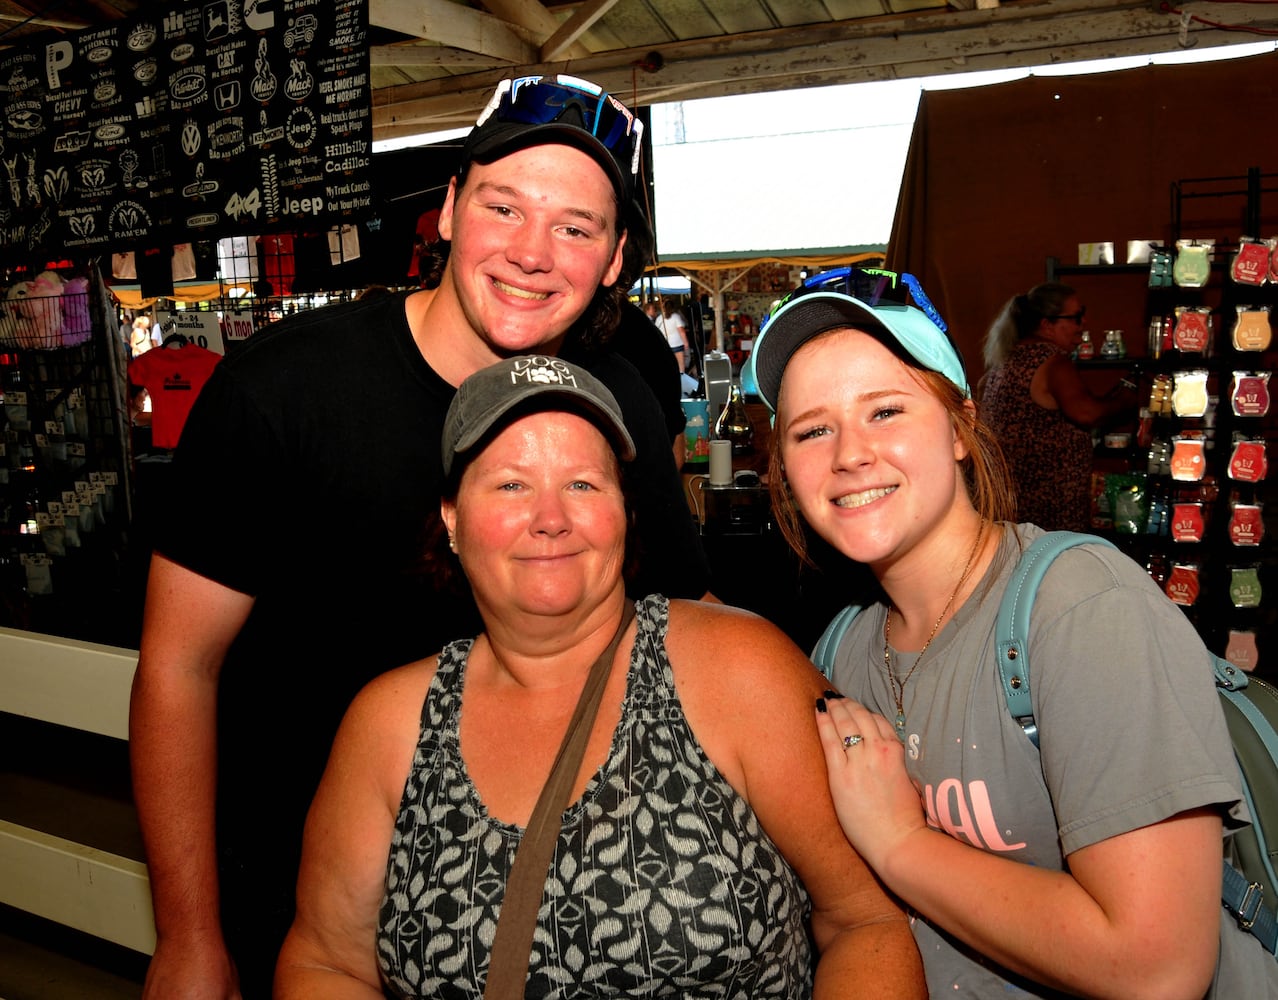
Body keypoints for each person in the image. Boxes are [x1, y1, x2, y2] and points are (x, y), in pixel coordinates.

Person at [129, 74, 711, 1000]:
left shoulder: (616, 407)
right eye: (503, 206)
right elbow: (176, 668)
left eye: (575, 226)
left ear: (612, 259)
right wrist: (189, 934)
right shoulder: (280, 395)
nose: (532, 252)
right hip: (301, 916)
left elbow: (686, 623)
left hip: (549, 909)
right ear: (446, 211)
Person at [275, 354, 925, 999]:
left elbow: (866, 921)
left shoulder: (740, 668)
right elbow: (325, 962)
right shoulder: (390, 724)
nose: (551, 518)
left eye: (583, 484)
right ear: (451, 517)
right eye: (510, 485)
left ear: (625, 509)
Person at [746, 267, 1278, 998]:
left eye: (886, 411)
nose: (848, 454)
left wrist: (901, 843)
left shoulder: (1081, 607)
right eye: (812, 430)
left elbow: (1158, 967)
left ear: (961, 428)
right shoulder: (839, 653)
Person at [979, 281, 1135, 531]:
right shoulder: (1052, 362)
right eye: (1075, 317)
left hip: (1013, 504)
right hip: (1049, 509)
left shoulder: (1005, 360)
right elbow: (1086, 413)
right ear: (1047, 325)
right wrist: (1125, 401)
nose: (1082, 325)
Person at [655, 297, 692, 372]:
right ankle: (681, 381)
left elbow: (656, 332)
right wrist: (686, 343)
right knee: (680, 365)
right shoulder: (676, 317)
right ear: (673, 307)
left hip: (664, 345)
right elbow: (681, 331)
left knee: (668, 365)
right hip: (677, 344)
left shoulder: (659, 318)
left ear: (664, 307)